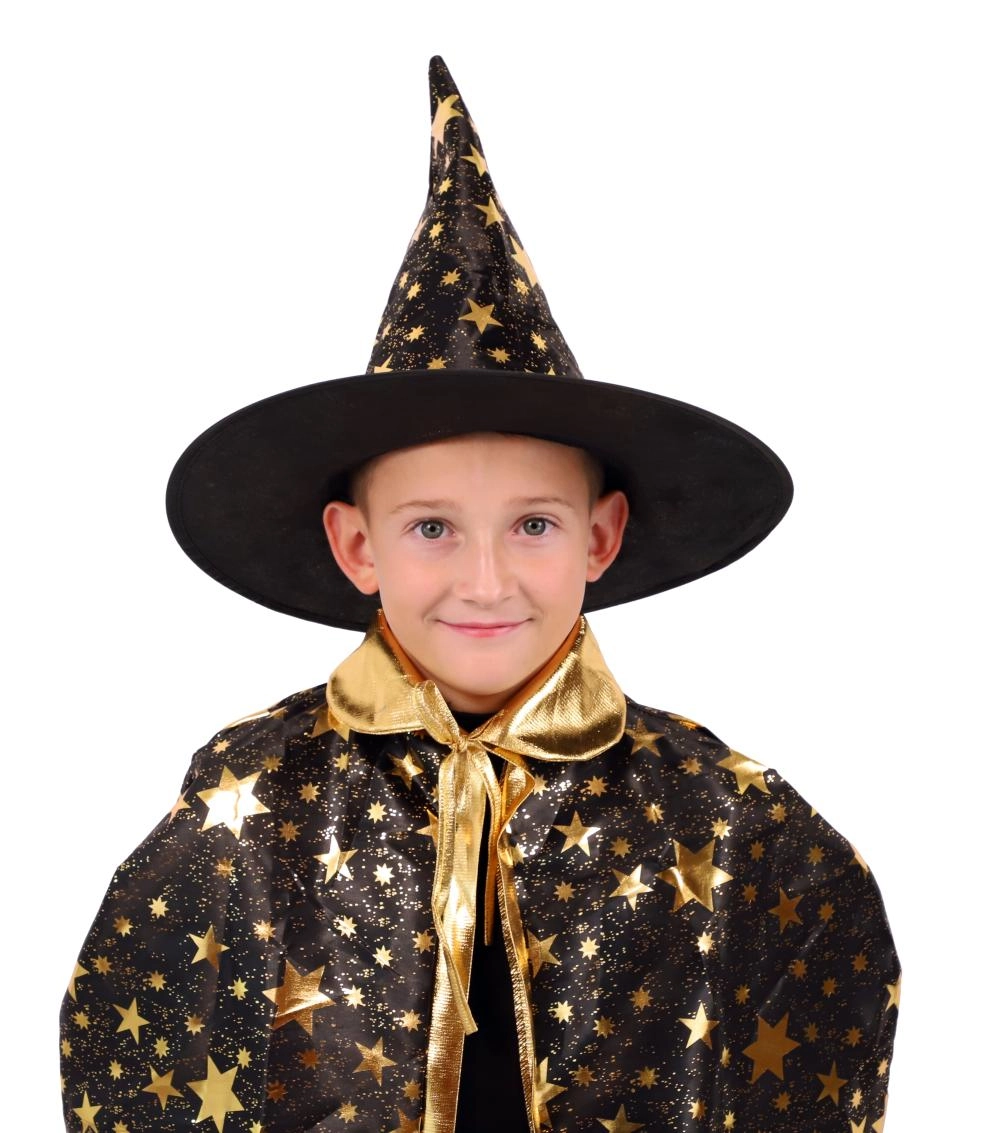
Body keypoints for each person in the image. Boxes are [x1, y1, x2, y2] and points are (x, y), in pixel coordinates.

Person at [59, 55, 901, 1133]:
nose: (486, 579)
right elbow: (140, 1067)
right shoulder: (255, 798)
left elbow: (818, 1041)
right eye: (432, 528)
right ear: (355, 546)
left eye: (533, 524)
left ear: (600, 536)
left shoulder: (723, 814)